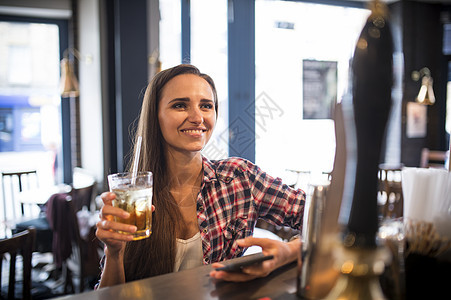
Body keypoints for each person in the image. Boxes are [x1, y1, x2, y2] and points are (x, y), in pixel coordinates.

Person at [95, 64, 305, 287]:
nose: (197, 117)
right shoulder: (135, 196)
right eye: (180, 105)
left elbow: (322, 217)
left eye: (206, 106)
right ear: (155, 116)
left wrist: (289, 251)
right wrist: (114, 253)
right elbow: (108, 294)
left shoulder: (239, 177)